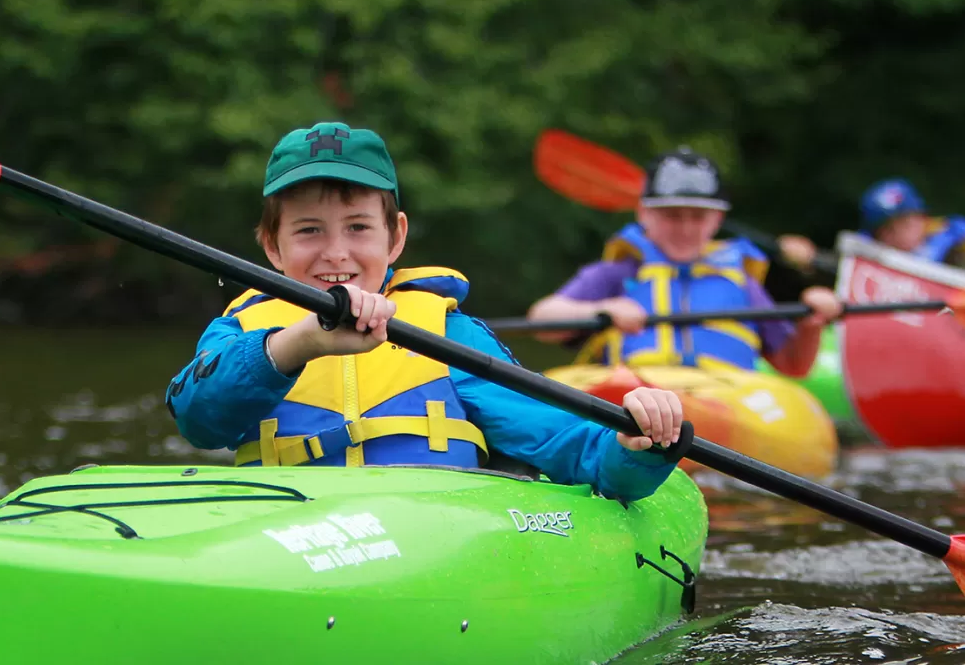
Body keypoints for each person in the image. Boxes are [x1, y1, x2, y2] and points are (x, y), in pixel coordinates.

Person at [166, 122, 685, 502]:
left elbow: (576, 451)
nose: (336, 252)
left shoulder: (449, 335)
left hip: (428, 544)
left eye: (358, 227)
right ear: (273, 249)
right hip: (284, 540)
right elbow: (198, 421)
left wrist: (636, 447)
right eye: (308, 230)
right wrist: (296, 344)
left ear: (396, 238)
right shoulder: (243, 334)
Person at [526, 147, 841, 377]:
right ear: (644, 213)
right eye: (673, 216)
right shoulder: (619, 274)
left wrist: (810, 324)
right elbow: (542, 320)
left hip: (727, 398)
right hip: (640, 393)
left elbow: (793, 364)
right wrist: (599, 310)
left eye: (698, 217)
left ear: (717, 219)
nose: (686, 228)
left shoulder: (742, 283)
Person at [775, 178, 965, 272]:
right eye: (887, 229)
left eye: (905, 221)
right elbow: (831, 267)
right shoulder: (866, 255)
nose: (895, 234)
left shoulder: (952, 245)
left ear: (922, 218)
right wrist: (808, 259)